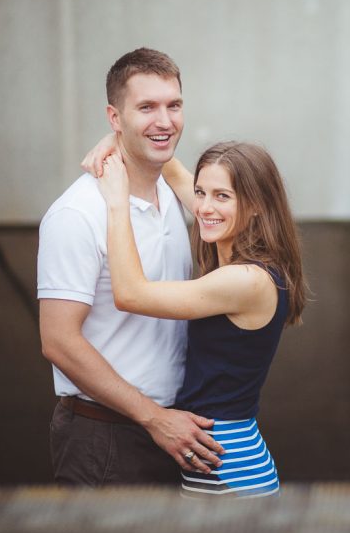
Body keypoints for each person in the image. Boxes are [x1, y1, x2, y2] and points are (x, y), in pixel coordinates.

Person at [37, 47, 223, 486]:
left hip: (173, 430)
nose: (165, 121)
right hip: (104, 436)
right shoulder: (77, 214)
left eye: (173, 105)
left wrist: (164, 422)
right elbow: (58, 341)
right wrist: (155, 418)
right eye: (146, 107)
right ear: (114, 117)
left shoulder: (178, 198)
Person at [96, 140, 308, 496]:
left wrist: (118, 203)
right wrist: (121, 136)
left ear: (256, 205)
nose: (205, 207)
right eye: (200, 193)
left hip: (230, 469)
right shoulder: (246, 266)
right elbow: (172, 168)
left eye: (222, 196)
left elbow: (130, 293)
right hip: (224, 459)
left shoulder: (246, 280)